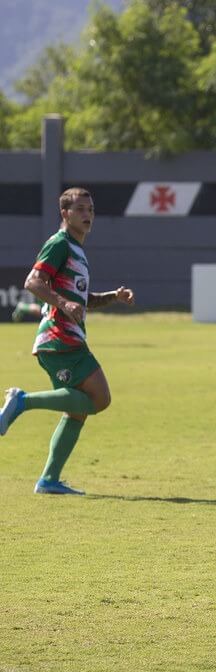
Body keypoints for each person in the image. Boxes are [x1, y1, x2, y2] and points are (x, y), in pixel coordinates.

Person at [0, 187, 135, 495]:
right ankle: (21, 401)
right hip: (59, 339)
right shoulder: (59, 244)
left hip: (65, 338)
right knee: (100, 398)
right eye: (81, 209)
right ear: (65, 214)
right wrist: (63, 303)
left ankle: (49, 480)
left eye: (91, 209)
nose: (88, 215)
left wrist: (112, 297)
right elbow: (33, 282)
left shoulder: (76, 250)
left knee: (77, 410)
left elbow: (81, 300)